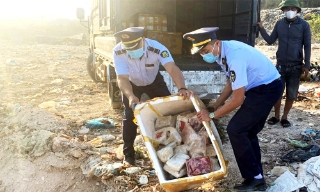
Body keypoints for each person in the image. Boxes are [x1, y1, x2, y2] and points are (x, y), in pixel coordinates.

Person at [183, 27, 283, 191]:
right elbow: (231, 81)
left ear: (216, 43)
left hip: (267, 89)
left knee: (236, 129)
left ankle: (254, 179)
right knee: (247, 131)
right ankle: (256, 177)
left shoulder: (234, 56)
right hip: (259, 88)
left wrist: (212, 115)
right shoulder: (220, 53)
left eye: (206, 50)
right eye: (200, 53)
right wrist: (217, 103)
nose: (204, 55)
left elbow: (237, 100)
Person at [113, 27, 193, 165]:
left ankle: (179, 148)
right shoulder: (118, 50)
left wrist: (182, 87)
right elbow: (122, 78)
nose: (131, 50)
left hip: (154, 82)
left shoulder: (156, 48)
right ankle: (129, 155)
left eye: (134, 46)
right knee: (129, 116)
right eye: (128, 47)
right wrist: (130, 95)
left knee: (170, 111)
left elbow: (172, 68)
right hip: (132, 84)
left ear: (143, 40)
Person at [257, 0, 311, 127]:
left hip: (296, 66)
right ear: (283, 10)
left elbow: (307, 46)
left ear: (297, 10)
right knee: (277, 92)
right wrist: (261, 29)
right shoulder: (279, 24)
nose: (290, 11)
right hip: (280, 65)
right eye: (287, 9)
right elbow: (270, 40)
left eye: (293, 8)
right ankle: (276, 116)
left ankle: (284, 117)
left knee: (291, 94)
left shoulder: (304, 25)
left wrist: (307, 65)